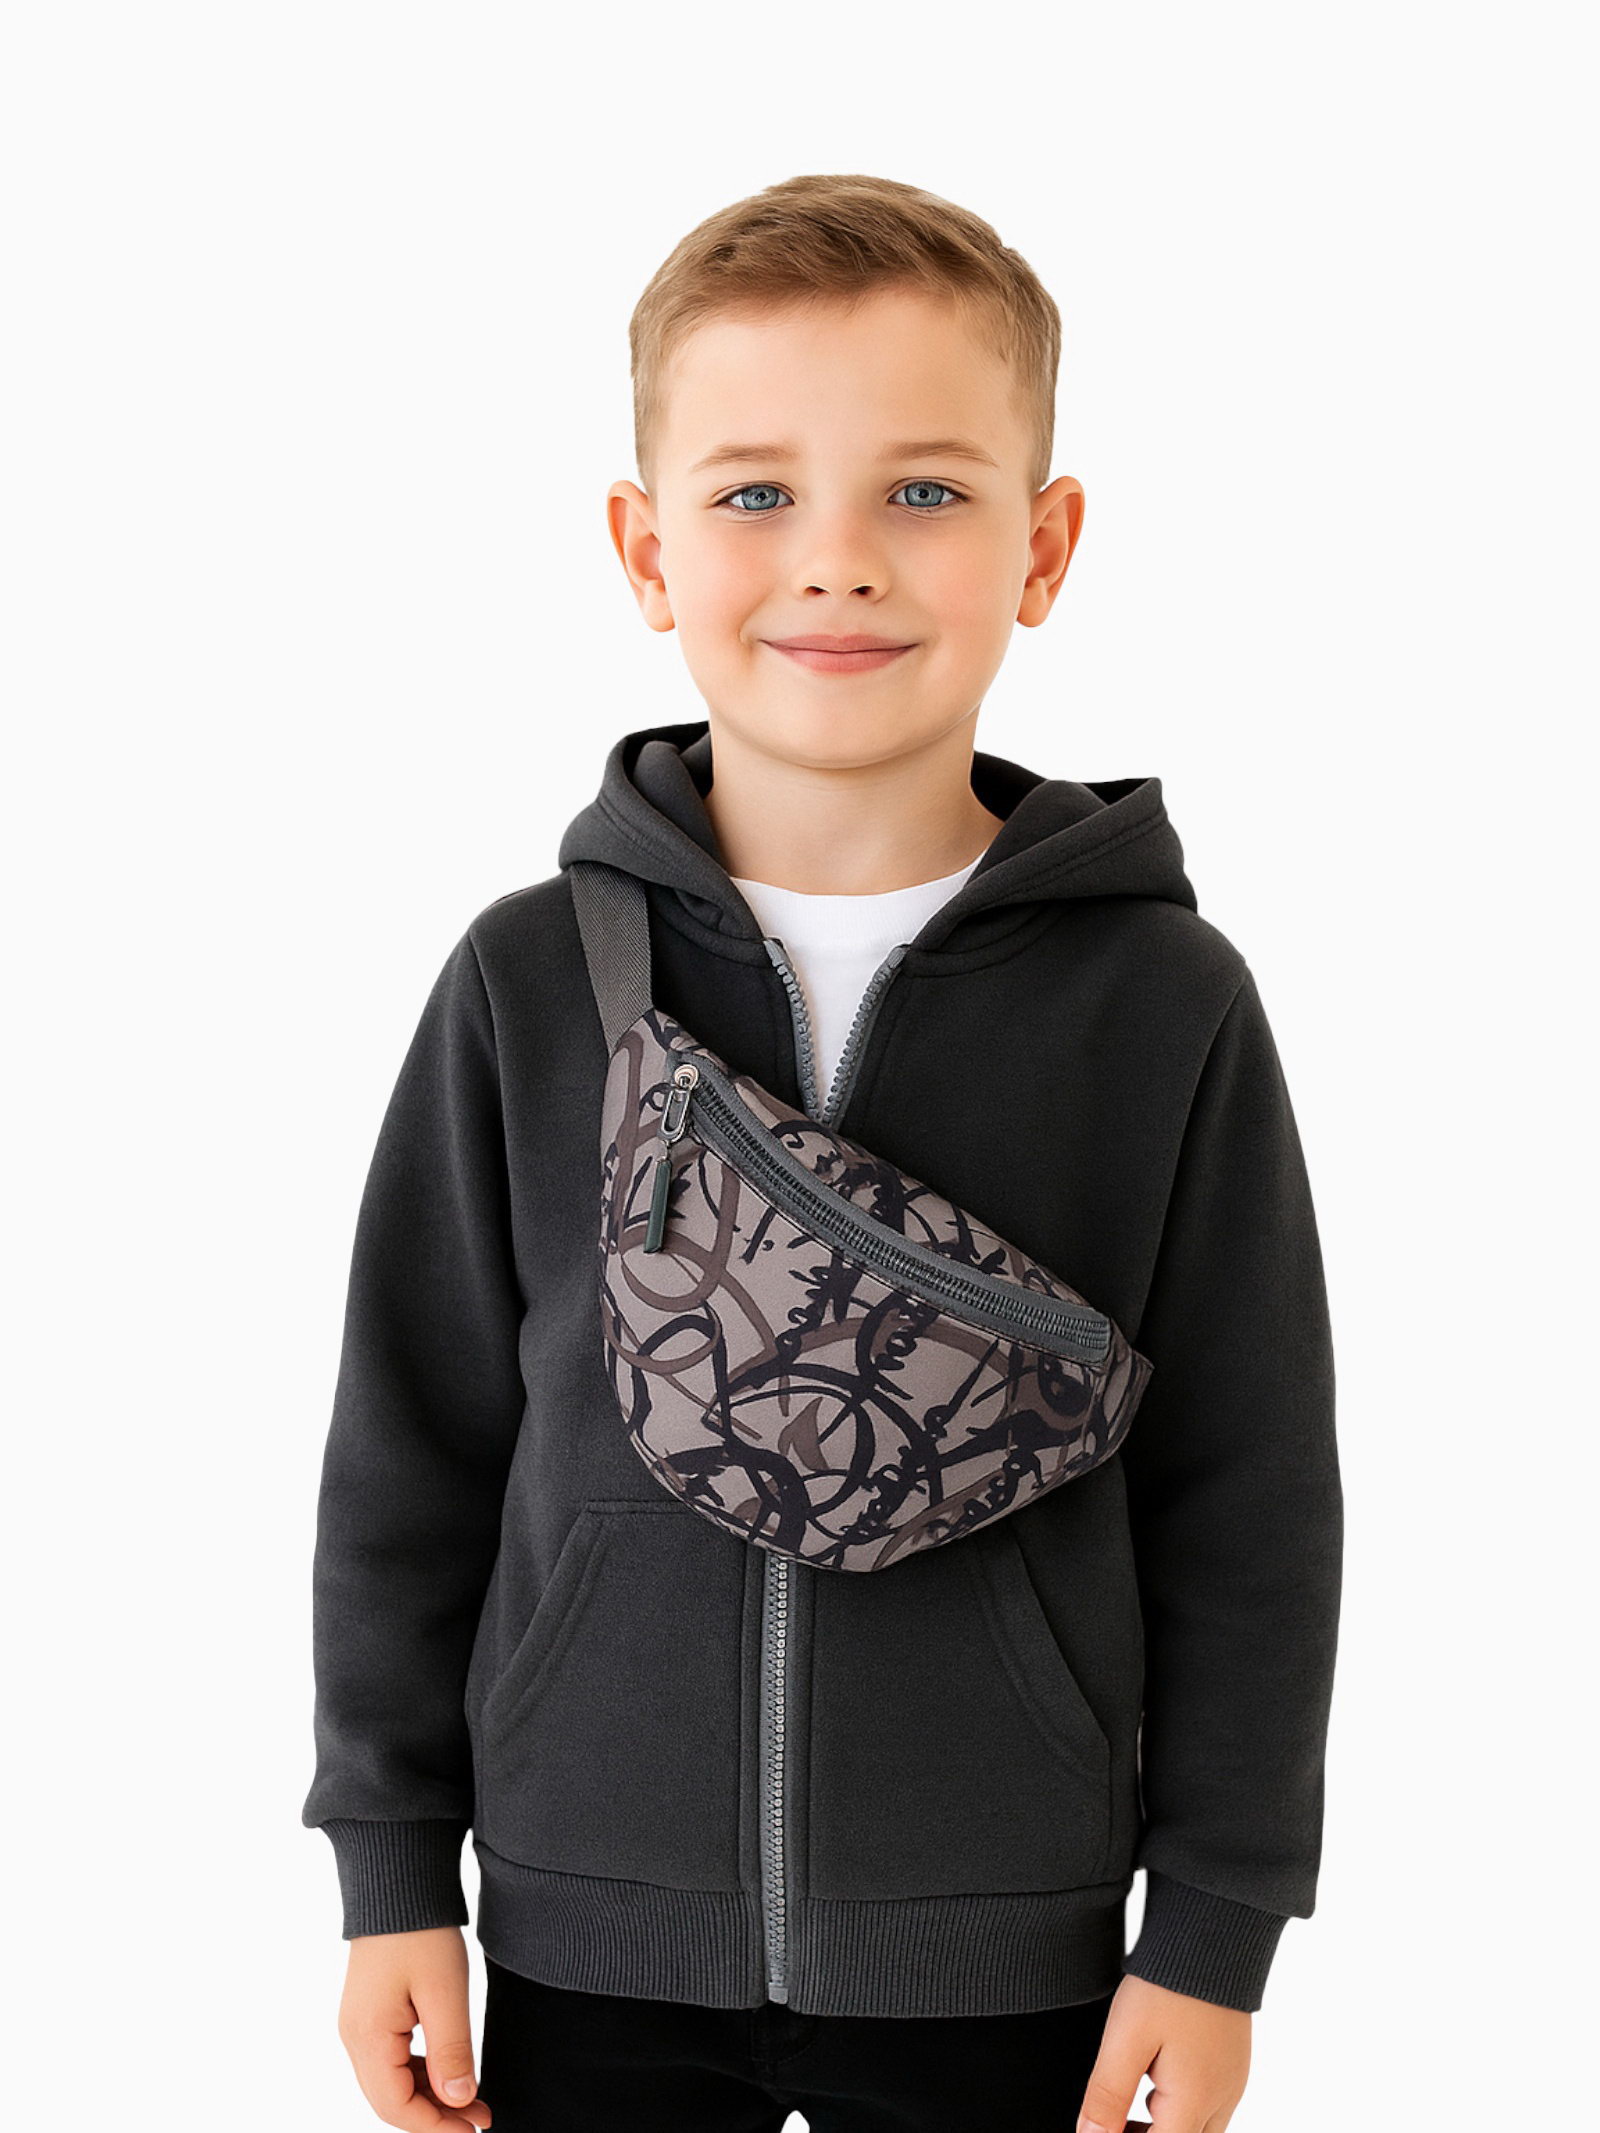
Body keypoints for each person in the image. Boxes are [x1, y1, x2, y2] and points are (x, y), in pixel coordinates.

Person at [303, 172, 1343, 2133]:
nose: (838, 562)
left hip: (1009, 1948)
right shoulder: (530, 980)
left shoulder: (1164, 1002)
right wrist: (389, 1866)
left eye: (923, 491)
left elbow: (1252, 1500)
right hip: (582, 1925)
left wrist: (1211, 1929)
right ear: (646, 549)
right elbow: (409, 1449)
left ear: (1043, 547)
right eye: (757, 492)